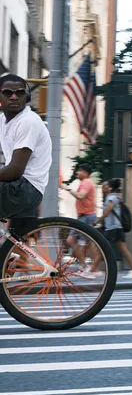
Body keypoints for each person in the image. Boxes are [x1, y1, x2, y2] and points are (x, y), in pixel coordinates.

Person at [0, 74, 50, 232]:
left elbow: (15, 170)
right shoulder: (3, 120)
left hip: (25, 189)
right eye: (8, 93)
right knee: (15, 242)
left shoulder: (28, 121)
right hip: (18, 187)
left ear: (26, 97)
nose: (14, 97)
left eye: (19, 93)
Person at [99, 178, 132, 277]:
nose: (103, 187)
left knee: (102, 247)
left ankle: (93, 270)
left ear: (109, 188)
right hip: (114, 228)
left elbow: (107, 212)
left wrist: (96, 221)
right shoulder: (112, 197)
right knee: (115, 248)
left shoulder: (111, 198)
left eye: (104, 186)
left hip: (114, 228)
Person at [61, 164, 97, 265]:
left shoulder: (86, 182)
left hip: (86, 216)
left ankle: (88, 267)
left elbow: (80, 196)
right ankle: (91, 268)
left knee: (72, 240)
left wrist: (67, 188)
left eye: (79, 171)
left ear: (85, 173)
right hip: (86, 216)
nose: (77, 173)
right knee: (89, 242)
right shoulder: (87, 182)